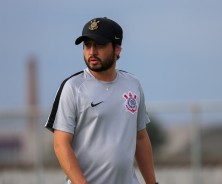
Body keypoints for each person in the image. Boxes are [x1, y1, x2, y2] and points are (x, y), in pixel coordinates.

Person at [45, 17, 158, 184]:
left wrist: (152, 183)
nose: (92, 52)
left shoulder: (133, 84)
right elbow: (61, 145)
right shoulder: (72, 87)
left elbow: (140, 138)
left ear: (117, 49)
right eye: (87, 45)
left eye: (99, 45)